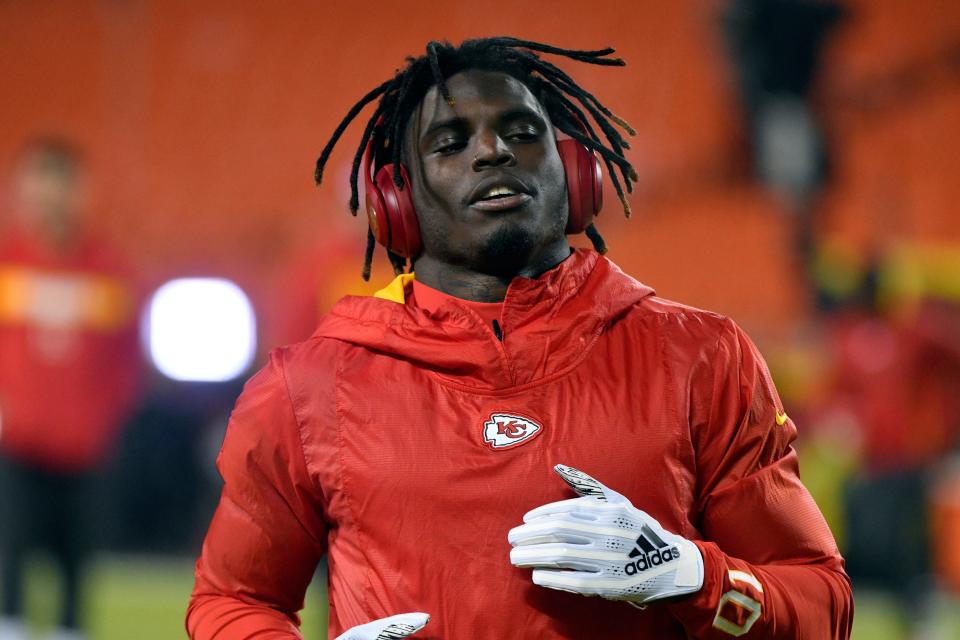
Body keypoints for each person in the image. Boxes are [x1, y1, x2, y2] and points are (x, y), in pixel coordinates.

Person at [187, 37, 853, 639]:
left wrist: (690, 576)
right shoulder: (309, 387)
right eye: (450, 143)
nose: (491, 150)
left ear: (576, 173)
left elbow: (821, 610)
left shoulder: (703, 359)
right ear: (398, 202)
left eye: (521, 132)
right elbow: (229, 603)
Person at [0, 139, 142, 640]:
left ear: (78, 191)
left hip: (85, 452)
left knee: (75, 573)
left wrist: (104, 419)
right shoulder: (8, 262)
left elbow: (129, 360)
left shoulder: (108, 269)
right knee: (8, 567)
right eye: (37, 183)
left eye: (58, 184)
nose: (48, 197)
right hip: (15, 447)